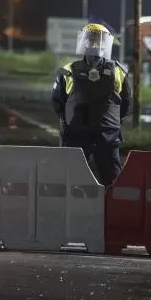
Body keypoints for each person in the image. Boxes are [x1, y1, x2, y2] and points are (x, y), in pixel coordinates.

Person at [51, 23, 130, 186]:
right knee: (71, 180)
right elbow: (58, 102)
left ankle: (111, 211)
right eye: (91, 41)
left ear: (104, 45)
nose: (94, 45)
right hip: (80, 135)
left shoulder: (117, 72)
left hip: (102, 136)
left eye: (98, 42)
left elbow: (125, 103)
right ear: (84, 43)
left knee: (111, 182)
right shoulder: (68, 71)